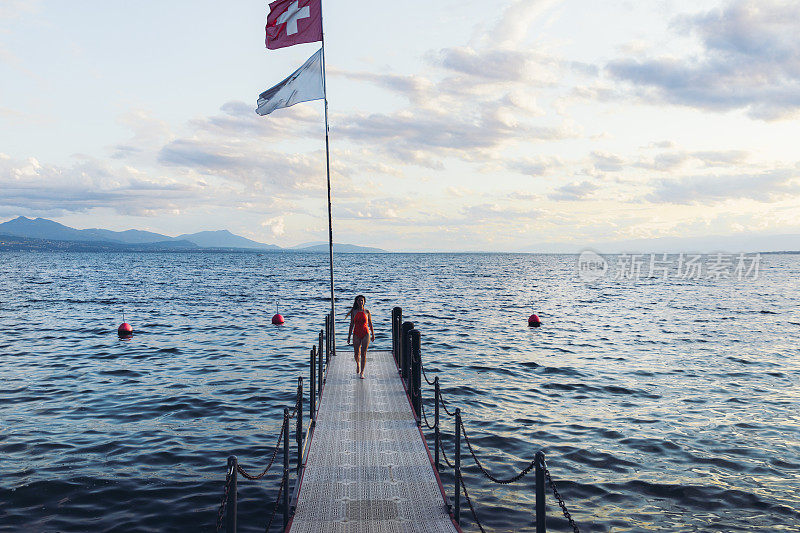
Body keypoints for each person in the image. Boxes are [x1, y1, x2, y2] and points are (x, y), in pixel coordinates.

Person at [345, 294, 374, 379]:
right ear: (356, 302)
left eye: (362, 300)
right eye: (359, 300)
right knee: (356, 353)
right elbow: (351, 324)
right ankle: (358, 364)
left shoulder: (367, 312)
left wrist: (373, 334)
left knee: (364, 353)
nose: (360, 302)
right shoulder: (353, 312)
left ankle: (362, 372)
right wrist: (349, 336)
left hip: (366, 333)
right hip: (356, 333)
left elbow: (370, 324)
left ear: (364, 302)